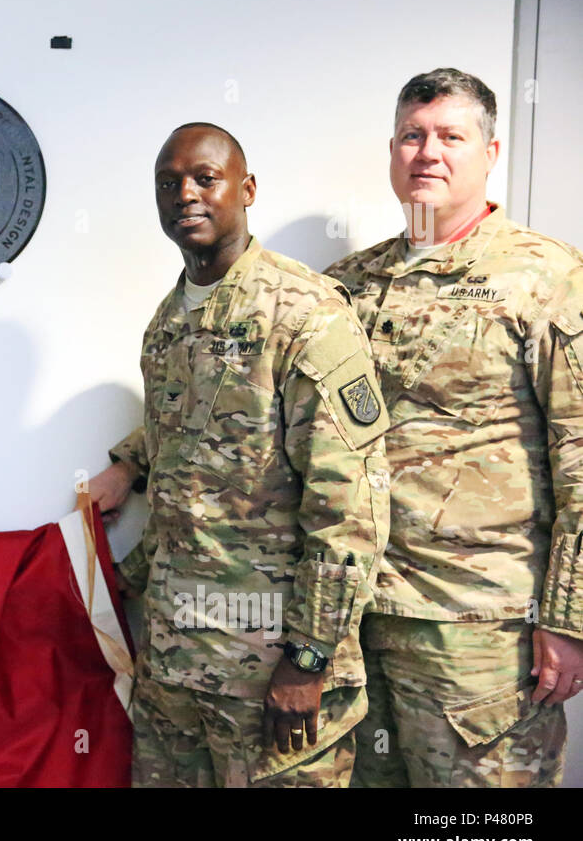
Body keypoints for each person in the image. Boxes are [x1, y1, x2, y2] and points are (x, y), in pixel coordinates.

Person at [87, 123, 390, 787]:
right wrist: (128, 467)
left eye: (204, 178)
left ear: (246, 190)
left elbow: (351, 511)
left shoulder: (308, 316)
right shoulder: (167, 324)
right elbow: (189, 450)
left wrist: (308, 662)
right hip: (177, 674)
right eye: (169, 184)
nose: (185, 195)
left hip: (271, 680)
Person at [325, 68, 583, 787]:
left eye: (450, 136)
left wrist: (571, 619)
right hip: (359, 619)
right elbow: (270, 407)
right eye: (413, 135)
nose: (427, 153)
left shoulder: (545, 278)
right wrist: (133, 461)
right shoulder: (351, 282)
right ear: (391, 149)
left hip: (480, 633)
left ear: (491, 152)